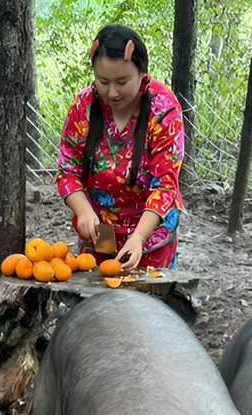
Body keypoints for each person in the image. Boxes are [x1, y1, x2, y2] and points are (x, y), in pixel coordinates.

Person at [56, 24, 185, 271]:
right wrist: (83, 211)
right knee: (100, 297)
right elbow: (68, 169)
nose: (111, 92)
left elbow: (166, 185)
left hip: (150, 234)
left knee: (147, 303)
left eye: (122, 81)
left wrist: (138, 238)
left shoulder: (164, 110)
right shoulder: (85, 104)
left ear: (142, 73)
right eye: (103, 81)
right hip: (100, 231)